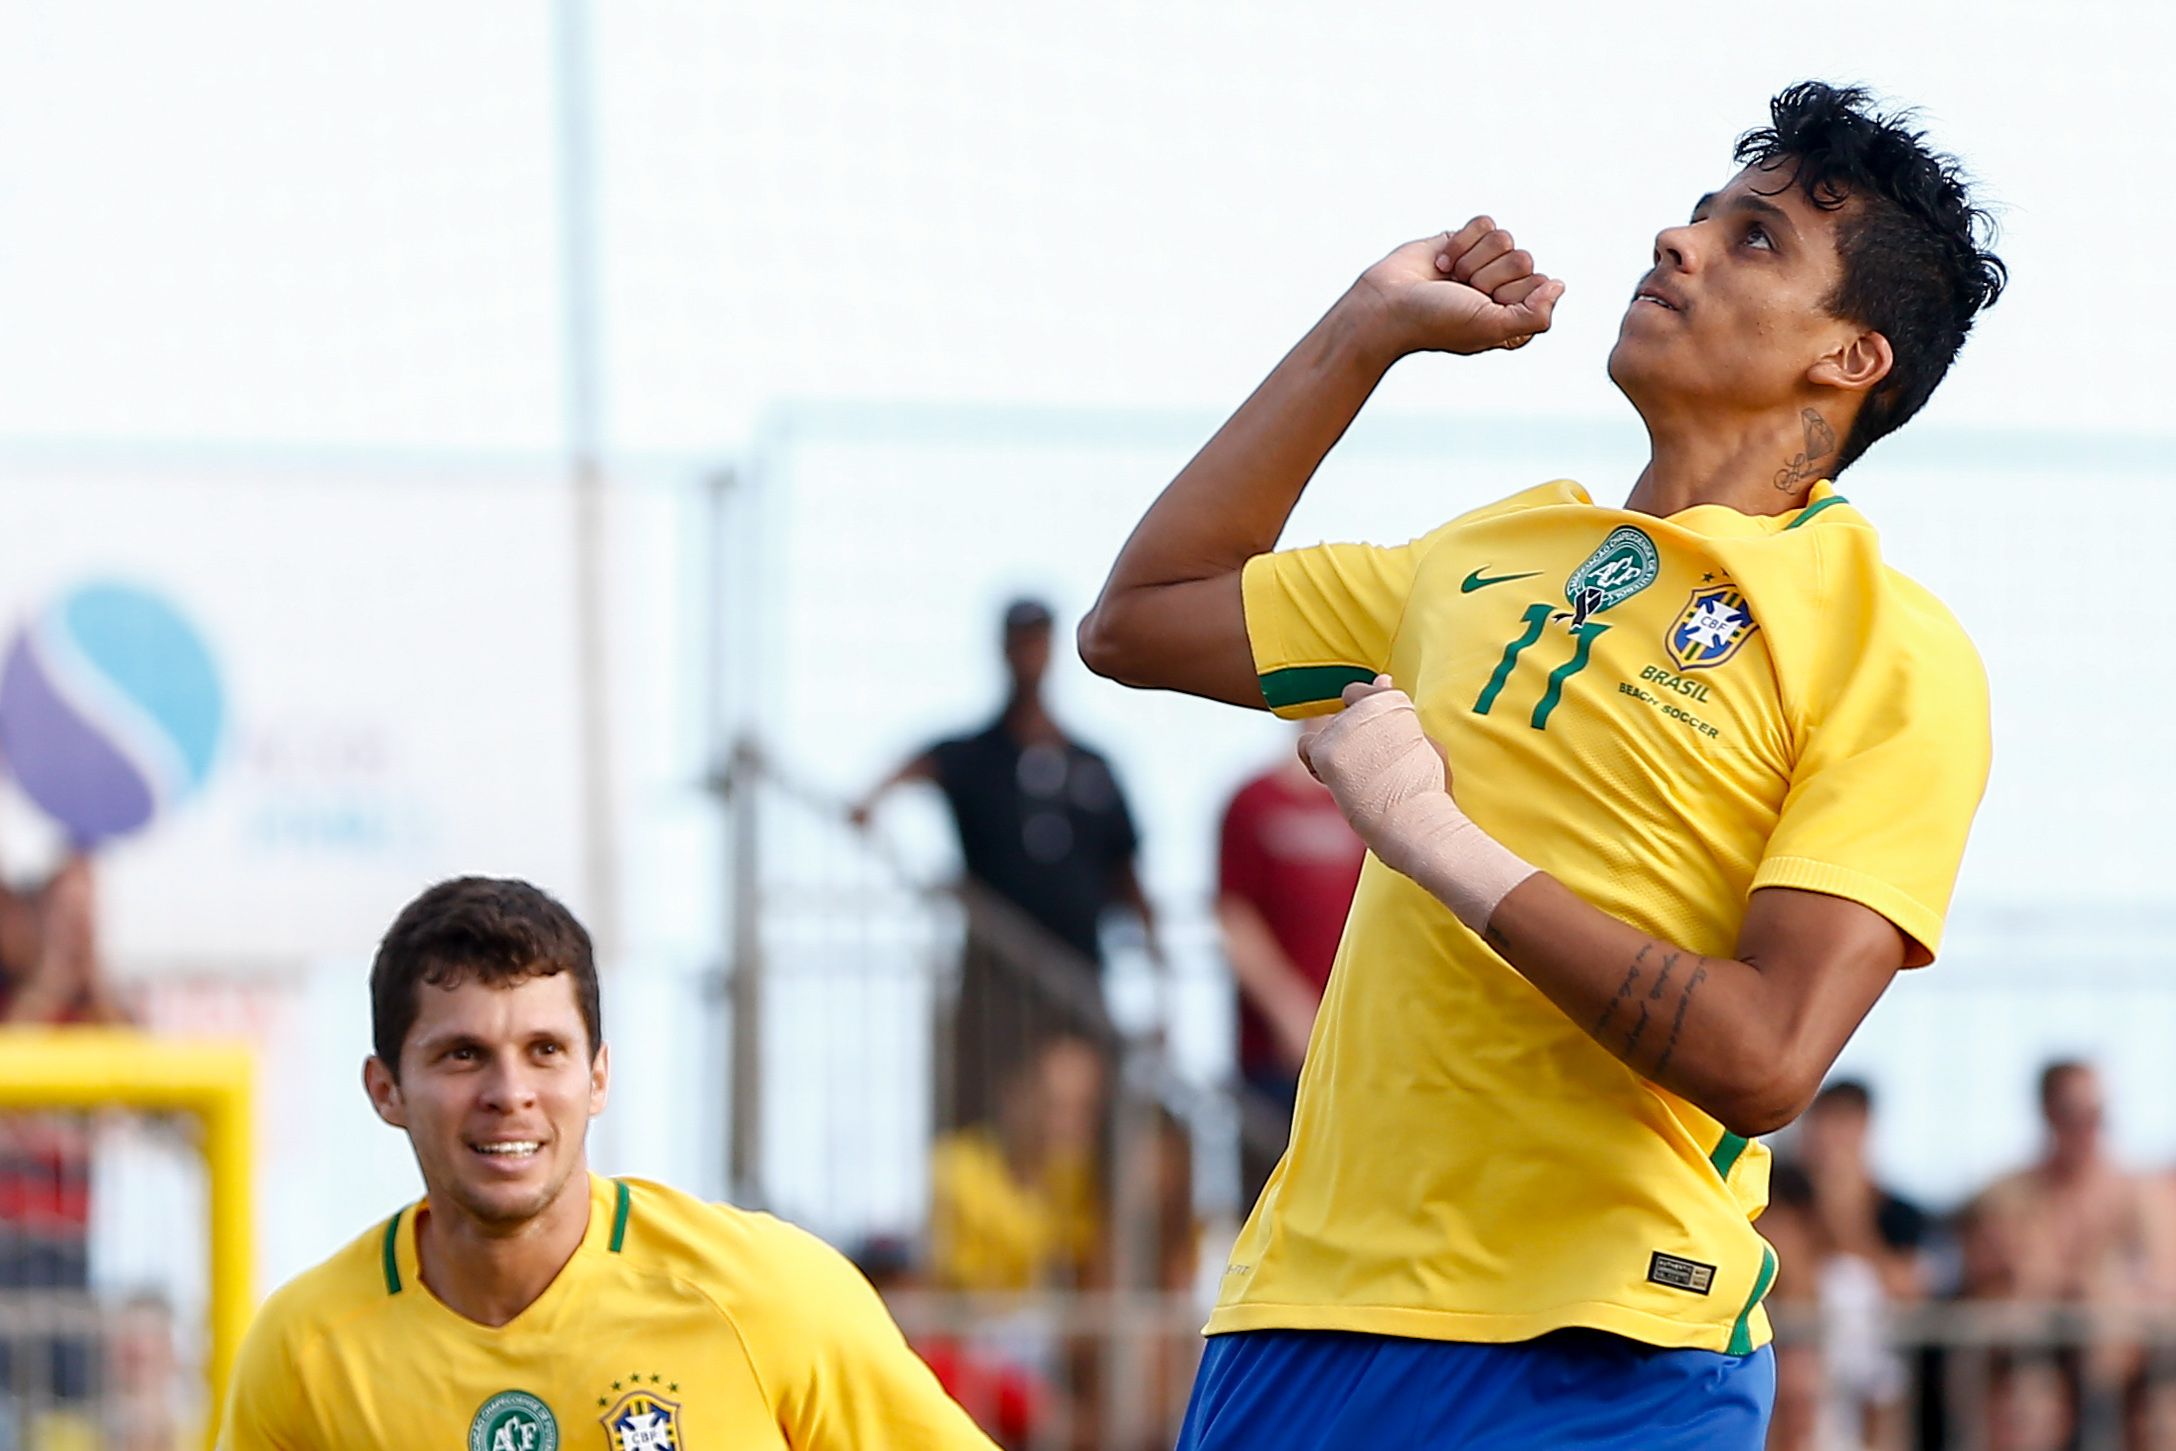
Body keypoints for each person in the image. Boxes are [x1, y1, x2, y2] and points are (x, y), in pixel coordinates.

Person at [1077, 82, 2002, 1450]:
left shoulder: (1889, 644)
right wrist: (1364, 329)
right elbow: (1142, 614)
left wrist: (1439, 841)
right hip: (1302, 1318)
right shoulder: (1481, 553)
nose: (1677, 243)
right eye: (1700, 216)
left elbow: (1766, 1057)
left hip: (1607, 1348)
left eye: (1754, 240)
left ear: (1851, 360)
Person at [216, 876, 995, 1450]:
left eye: (544, 1051)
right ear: (386, 1089)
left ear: (597, 1077)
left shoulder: (766, 1293)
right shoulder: (304, 1352)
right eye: (462, 1055)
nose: (509, 1092)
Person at [854, 599, 1154, 1129]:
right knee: (988, 1110)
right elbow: (908, 772)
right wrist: (873, 804)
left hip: (1078, 972)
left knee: (1086, 1115)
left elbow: (1125, 872)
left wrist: (1156, 959)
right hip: (996, 978)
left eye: (1038, 642)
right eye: (1020, 643)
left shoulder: (1091, 765)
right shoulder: (973, 755)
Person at [1962, 1061, 2163, 1451]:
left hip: (2125, 1373)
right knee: (2027, 1405)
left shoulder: (2136, 1195)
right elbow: (2001, 1279)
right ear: (2048, 1114)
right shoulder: (2011, 1193)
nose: (2087, 1128)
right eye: (2074, 1114)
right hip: (2039, 1368)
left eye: (2097, 1114)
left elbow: (2162, 1280)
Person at [1214, 731, 1364, 1207]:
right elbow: (1234, 915)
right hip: (1275, 1059)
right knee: (1271, 1203)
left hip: (1360, 1054)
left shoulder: (1371, 806)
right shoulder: (1252, 802)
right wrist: (1289, 1011)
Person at [1792, 1080, 1928, 1450]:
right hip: (1801, 1381)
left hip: (1872, 1389)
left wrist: (1846, 1217)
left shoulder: (1900, 1214)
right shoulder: (1784, 1203)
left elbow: (1909, 1289)